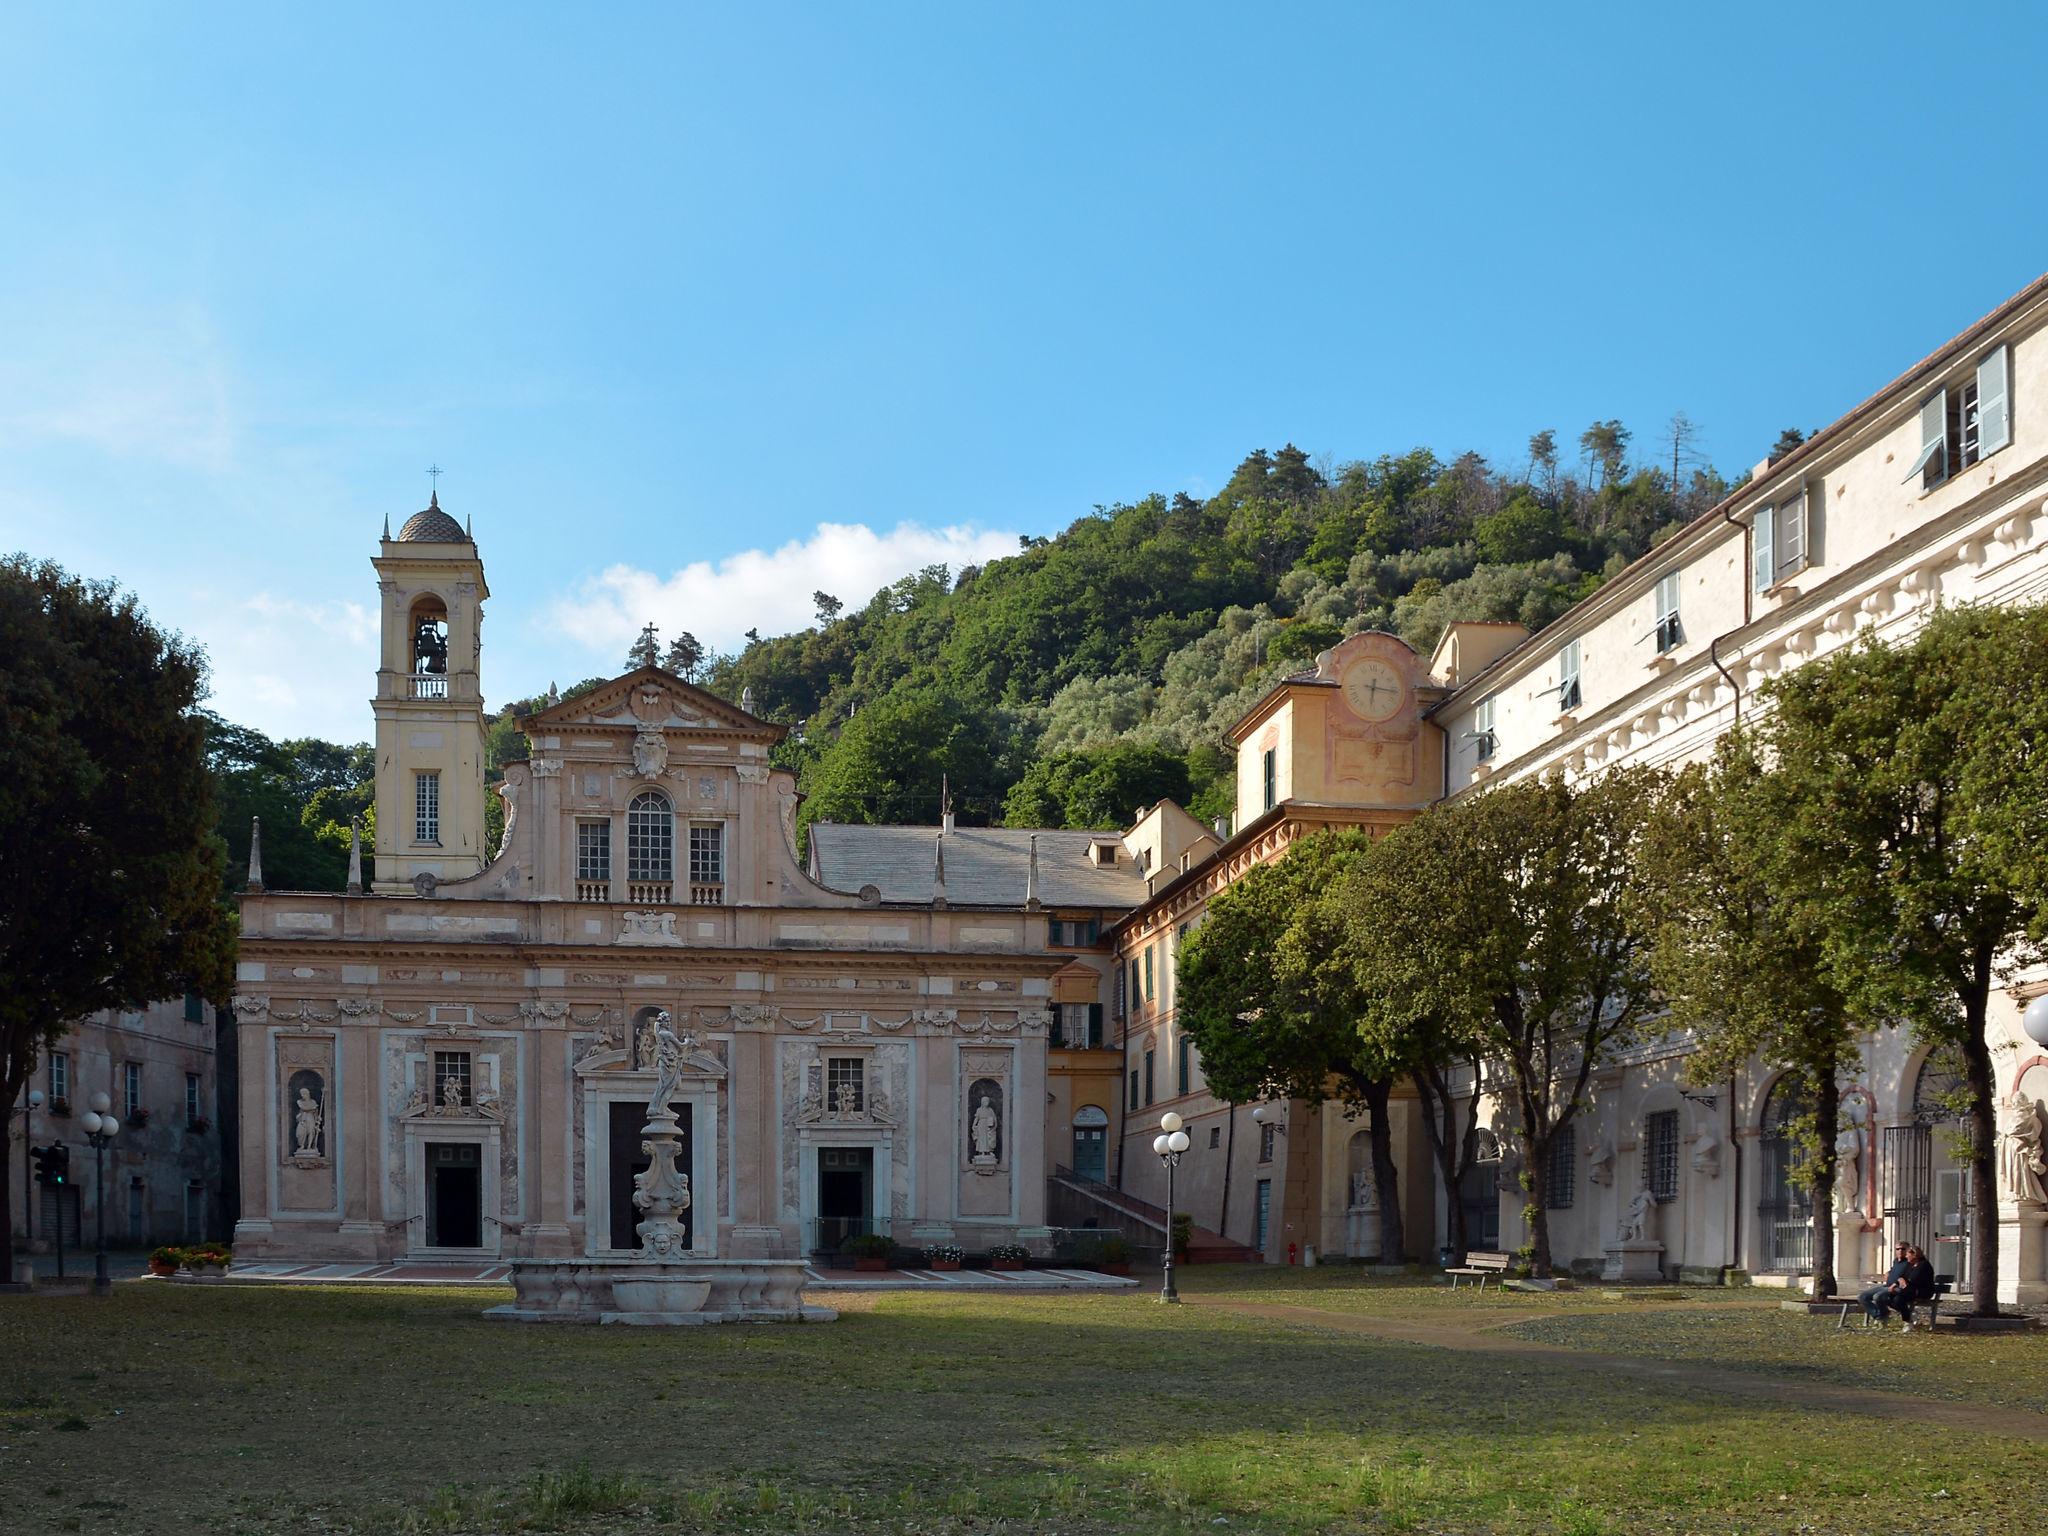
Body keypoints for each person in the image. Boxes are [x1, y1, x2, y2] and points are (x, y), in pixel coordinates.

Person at [1858, 1243, 1911, 1324]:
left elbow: (1908, 1276)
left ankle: (1882, 1317)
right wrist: (1888, 1272)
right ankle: (1879, 1315)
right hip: (1886, 1286)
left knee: (1877, 1296)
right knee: (1862, 1296)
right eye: (1898, 1249)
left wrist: (1896, 1284)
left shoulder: (1909, 1262)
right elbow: (1895, 1271)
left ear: (1907, 1250)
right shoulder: (1896, 1261)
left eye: (1903, 1249)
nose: (1900, 1251)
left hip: (1896, 1287)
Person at [1894, 1244, 1937, 1331]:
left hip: (1923, 1291)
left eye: (1907, 1254)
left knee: (1899, 1297)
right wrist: (1901, 1279)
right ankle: (1909, 1316)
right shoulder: (1910, 1265)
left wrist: (1904, 1281)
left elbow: (1914, 1279)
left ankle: (1908, 1320)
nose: (1906, 1256)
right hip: (1910, 1289)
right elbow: (1901, 1276)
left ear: (1914, 1254)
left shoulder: (1923, 1265)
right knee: (1891, 1296)